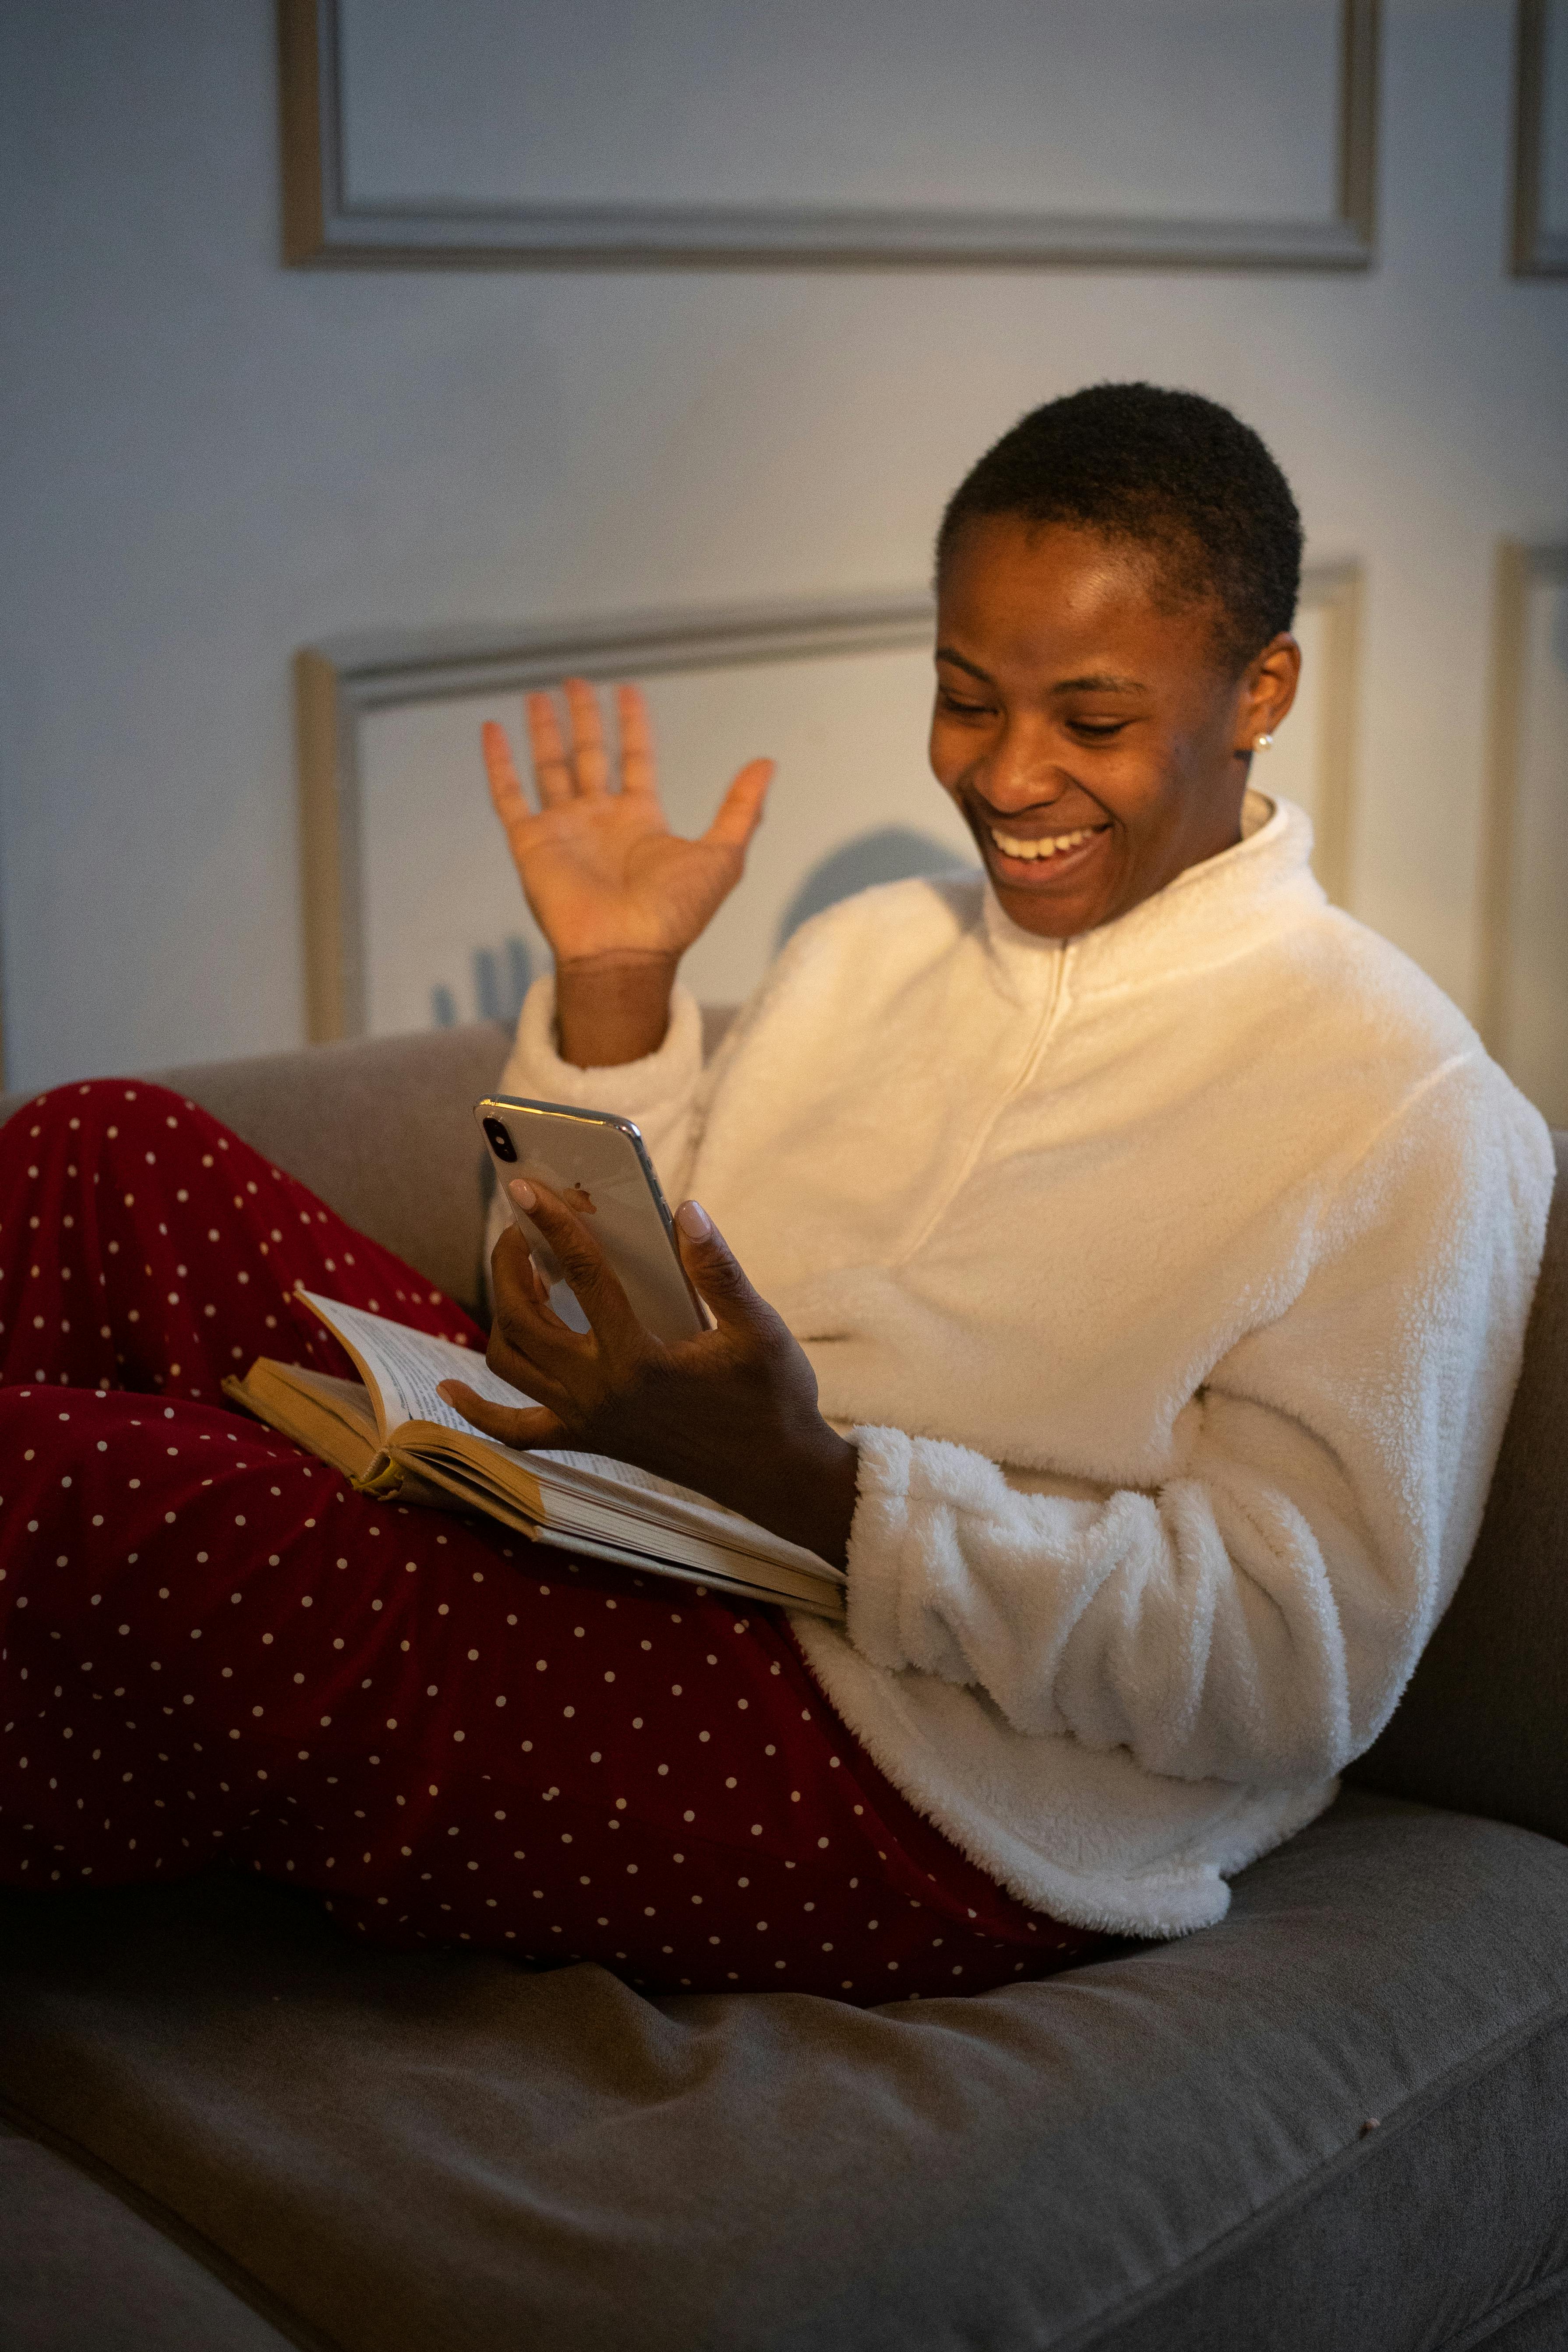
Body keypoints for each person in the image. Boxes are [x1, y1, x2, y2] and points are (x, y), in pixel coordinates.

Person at [0, 385, 1551, 2001]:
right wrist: (612, 995)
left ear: (1260, 689)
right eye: (965, 699)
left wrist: (821, 1486)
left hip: (926, 1771)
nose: (1009, 777)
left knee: (64, 1490)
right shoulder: (871, 945)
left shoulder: (1413, 1112)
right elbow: (677, 1269)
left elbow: (1289, 1671)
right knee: (103, 1148)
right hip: (653, 1525)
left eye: (1089, 720)